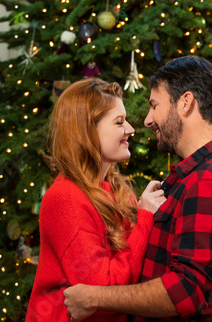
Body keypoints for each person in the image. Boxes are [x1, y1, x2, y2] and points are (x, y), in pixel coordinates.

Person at [63, 56, 212, 321]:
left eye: (154, 105)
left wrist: (93, 297)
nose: (147, 120)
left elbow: (187, 290)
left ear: (185, 103)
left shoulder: (209, 180)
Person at [26, 78, 166, 322]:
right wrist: (144, 217)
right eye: (119, 122)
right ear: (87, 131)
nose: (131, 129)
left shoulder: (117, 189)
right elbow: (101, 290)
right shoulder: (65, 199)